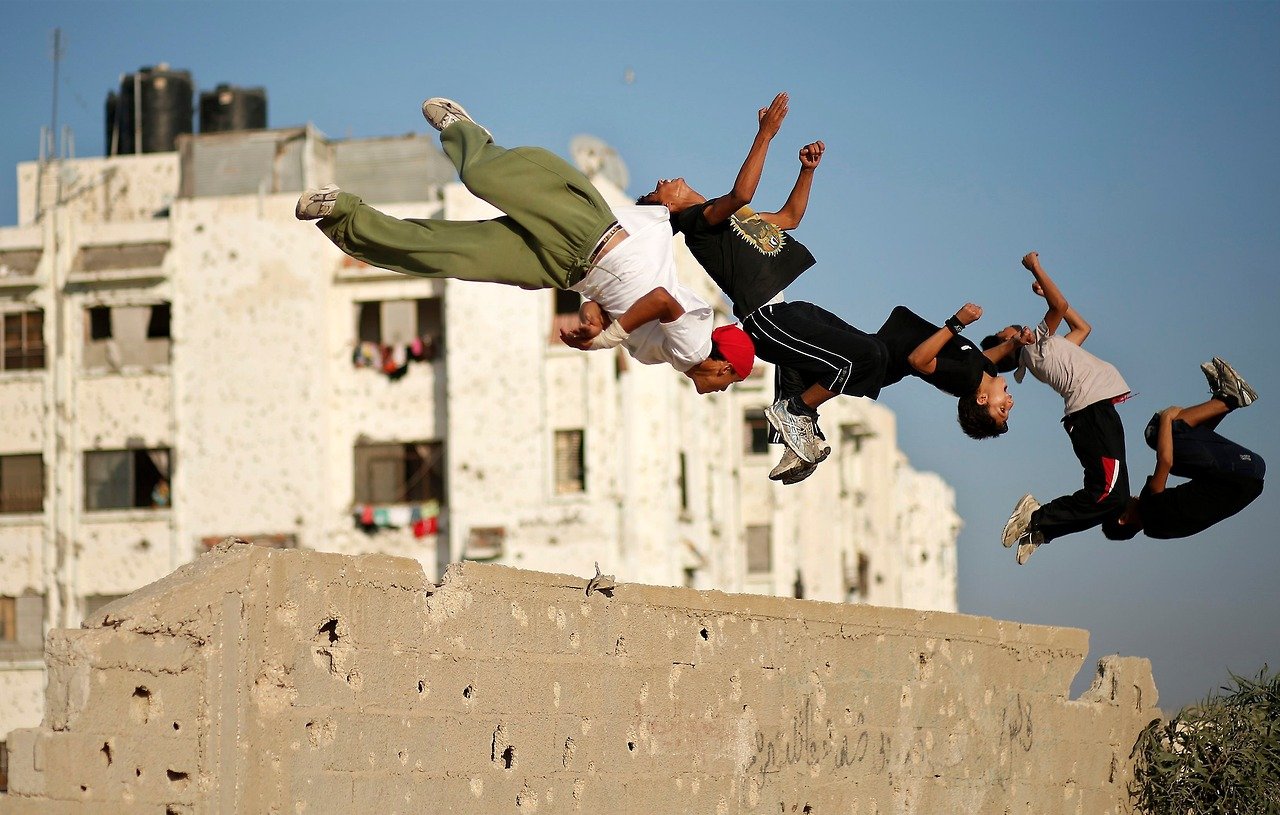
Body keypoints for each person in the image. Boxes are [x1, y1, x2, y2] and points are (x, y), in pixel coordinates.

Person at [638, 93, 1022, 481]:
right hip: (765, 318)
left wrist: (806, 171)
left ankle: (794, 428)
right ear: (669, 208)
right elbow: (741, 193)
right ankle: (795, 414)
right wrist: (765, 135)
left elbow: (789, 218)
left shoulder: (732, 221)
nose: (661, 181)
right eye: (658, 191)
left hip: (787, 309)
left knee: (860, 354)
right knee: (864, 357)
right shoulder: (699, 221)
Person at [296, 98, 755, 393]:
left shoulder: (667, 356)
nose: (719, 392)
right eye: (727, 385)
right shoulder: (695, 342)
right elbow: (661, 300)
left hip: (567, 269)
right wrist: (609, 337)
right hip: (586, 229)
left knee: (444, 254)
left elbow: (625, 303)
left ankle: (339, 212)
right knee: (480, 175)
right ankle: (463, 130)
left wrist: (596, 319)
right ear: (724, 368)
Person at [993, 252, 1132, 565]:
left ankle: (1042, 529)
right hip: (1091, 412)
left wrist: (1048, 297)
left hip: (1093, 411)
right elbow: (1059, 307)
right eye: (1010, 335)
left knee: (1115, 499)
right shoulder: (1037, 348)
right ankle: (1037, 516)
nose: (1018, 330)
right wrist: (1037, 269)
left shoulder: (1050, 347)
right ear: (1012, 350)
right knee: (1109, 494)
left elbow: (1082, 327)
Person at [1102, 358, 1262, 541]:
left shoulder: (1159, 529)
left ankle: (1222, 399)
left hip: (1248, 478)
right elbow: (1165, 461)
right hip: (1239, 473)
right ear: (1123, 519)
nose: (1127, 497)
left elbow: (1193, 446)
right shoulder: (1150, 508)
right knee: (1156, 433)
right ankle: (1230, 399)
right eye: (1121, 505)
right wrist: (1167, 418)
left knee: (1177, 447)